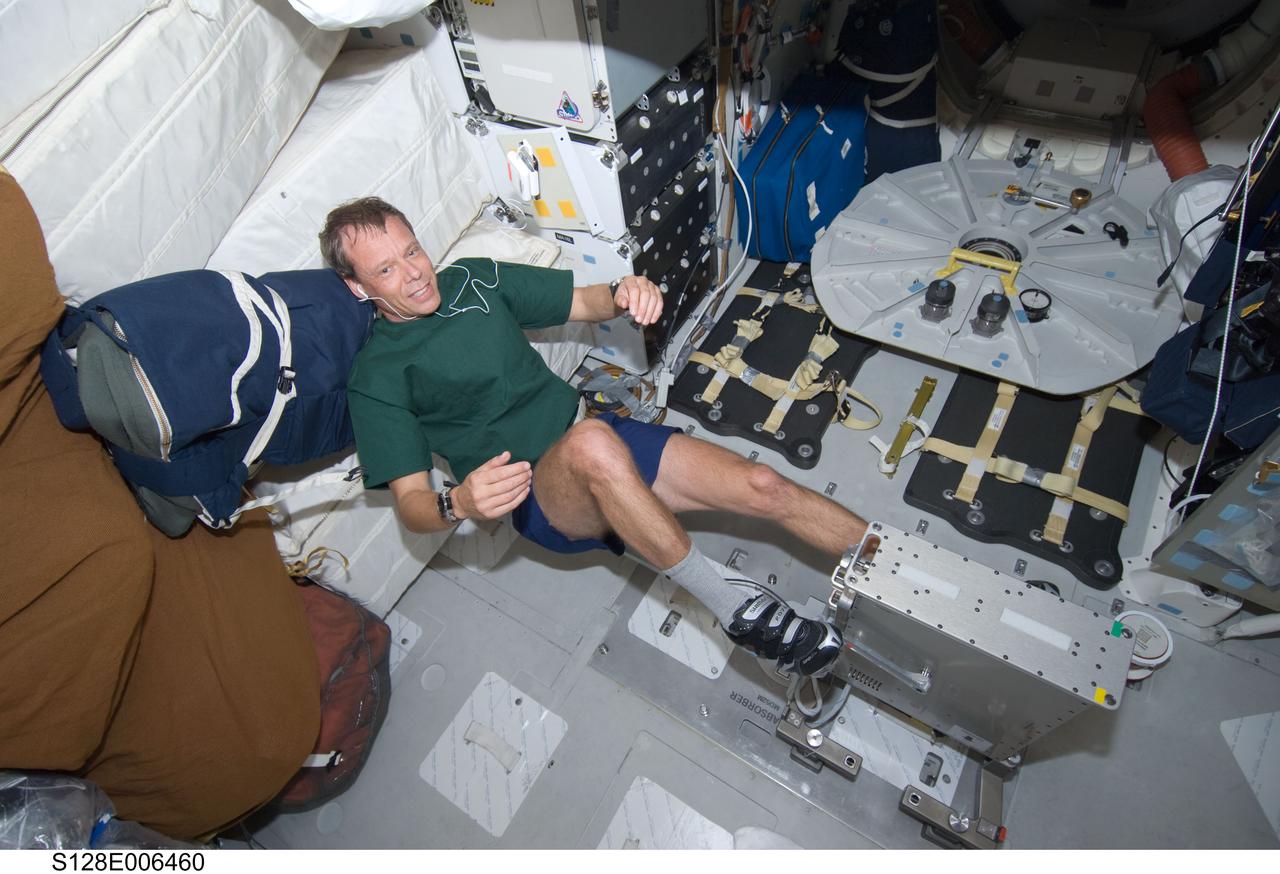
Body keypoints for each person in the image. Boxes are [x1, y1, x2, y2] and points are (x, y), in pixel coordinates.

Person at [321, 197, 869, 676]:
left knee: (764, 483)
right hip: (539, 496)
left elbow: (586, 303)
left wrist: (626, 291)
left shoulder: (473, 278)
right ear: (357, 287)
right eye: (387, 270)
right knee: (590, 447)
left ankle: (893, 564)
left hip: (594, 431)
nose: (415, 273)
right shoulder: (376, 376)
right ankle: (734, 607)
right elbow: (414, 506)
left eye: (412, 251)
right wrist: (458, 500)